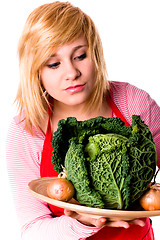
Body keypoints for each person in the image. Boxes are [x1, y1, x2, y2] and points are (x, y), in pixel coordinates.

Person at [6, 1, 160, 239]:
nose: (72, 73)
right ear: (36, 71)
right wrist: (83, 223)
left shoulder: (131, 102)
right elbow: (32, 229)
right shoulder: (25, 130)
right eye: (54, 64)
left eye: (80, 56)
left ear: (95, 53)